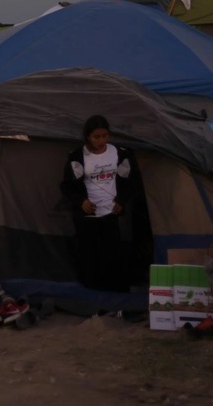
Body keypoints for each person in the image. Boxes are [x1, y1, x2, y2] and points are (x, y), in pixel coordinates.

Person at [60, 115, 134, 293]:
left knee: (113, 251)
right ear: (87, 136)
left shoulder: (119, 153)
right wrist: (81, 202)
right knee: (90, 252)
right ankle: (92, 289)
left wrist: (121, 201)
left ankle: (115, 288)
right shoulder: (77, 157)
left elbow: (129, 182)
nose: (101, 140)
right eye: (96, 137)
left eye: (105, 136)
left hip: (110, 213)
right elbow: (67, 186)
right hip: (88, 214)